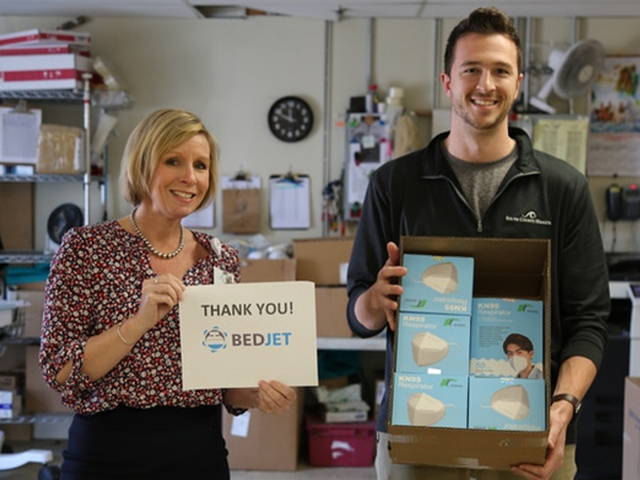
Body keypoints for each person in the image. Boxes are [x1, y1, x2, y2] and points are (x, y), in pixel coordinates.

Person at [347, 7, 609, 480]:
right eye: (471, 69)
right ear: (447, 81)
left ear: (519, 82)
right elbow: (357, 315)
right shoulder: (394, 184)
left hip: (530, 433)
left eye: (500, 70)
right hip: (418, 430)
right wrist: (374, 300)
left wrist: (563, 408)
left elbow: (589, 320)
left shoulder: (562, 187)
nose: (485, 83)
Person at [40, 109, 297, 480]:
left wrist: (257, 395)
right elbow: (60, 371)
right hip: (106, 457)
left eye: (201, 165)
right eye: (173, 161)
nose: (190, 177)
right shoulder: (86, 248)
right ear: (142, 164)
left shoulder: (220, 259)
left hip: (199, 456)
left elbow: (225, 382)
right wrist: (140, 321)